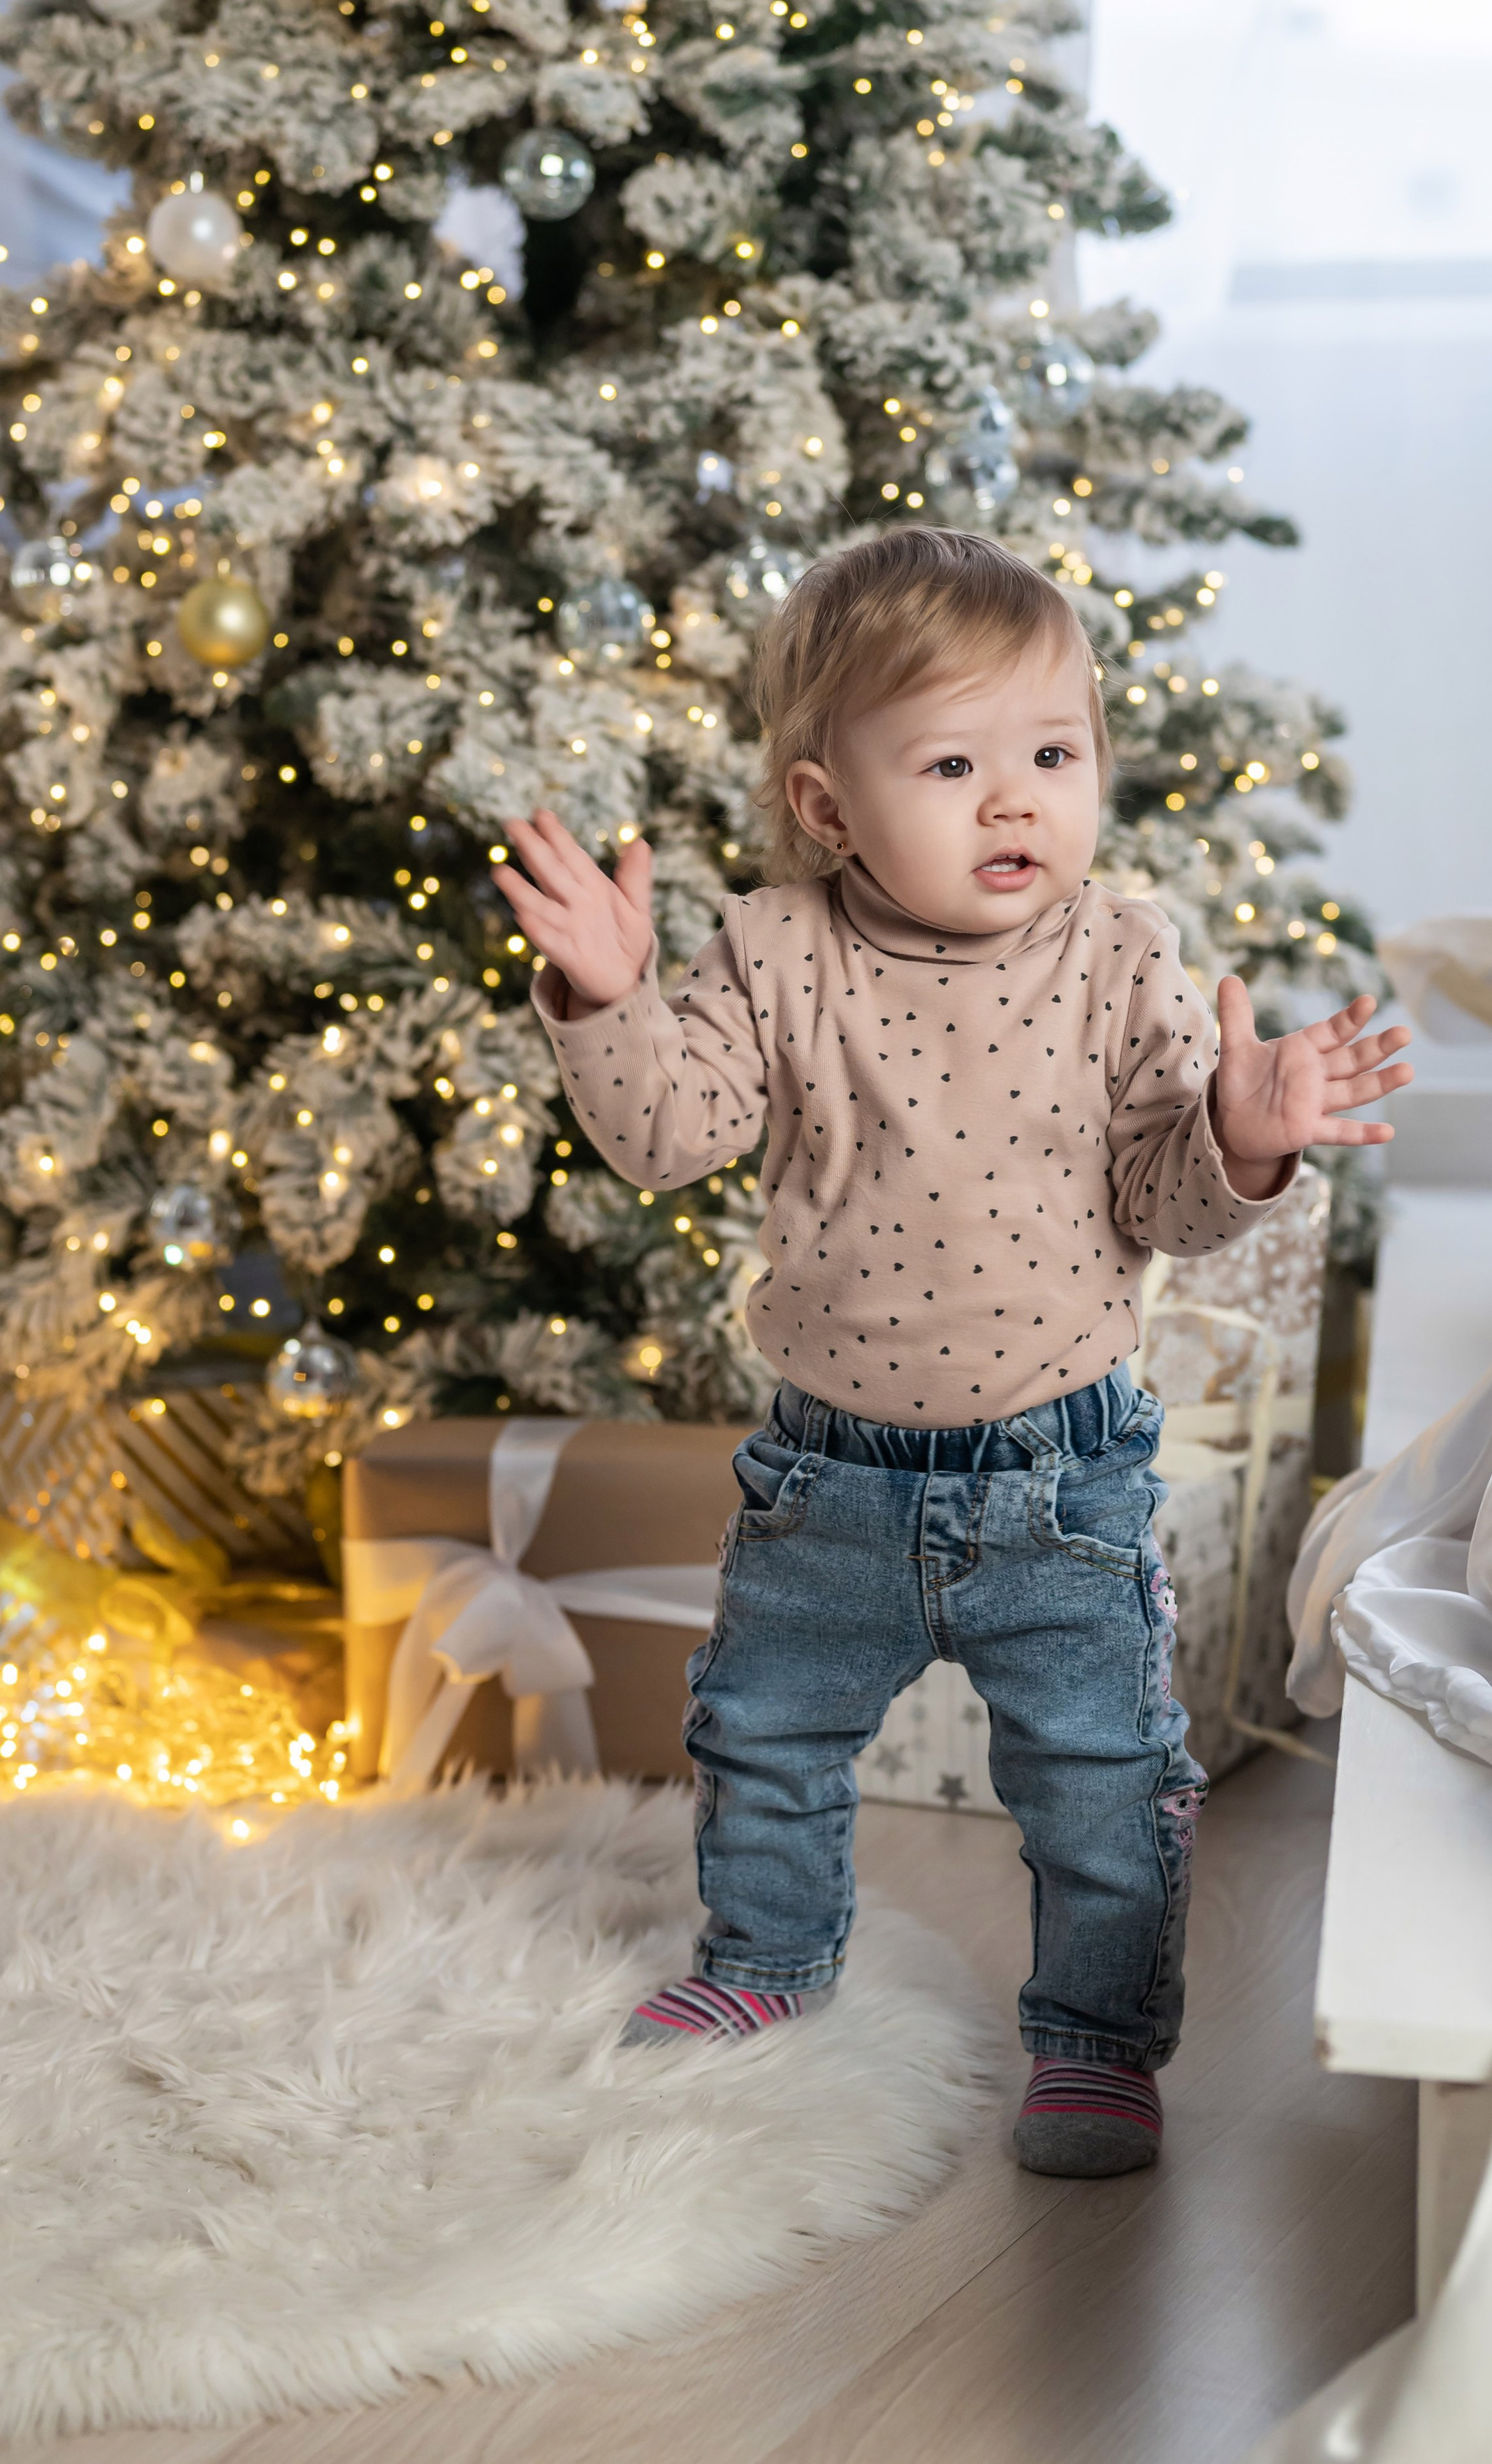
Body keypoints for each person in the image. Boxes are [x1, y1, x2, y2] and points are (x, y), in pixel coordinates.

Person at [497, 527, 1409, 2178]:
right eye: (954, 763)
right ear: (827, 806)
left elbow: (1165, 1200)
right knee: (759, 1737)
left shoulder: (1122, 955)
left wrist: (1243, 1133)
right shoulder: (777, 952)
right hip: (826, 1480)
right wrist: (609, 998)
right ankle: (766, 1963)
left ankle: (1093, 2049)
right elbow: (667, 1135)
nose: (1015, 802)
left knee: (1101, 1782)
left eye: (1051, 756)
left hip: (1058, 1479)